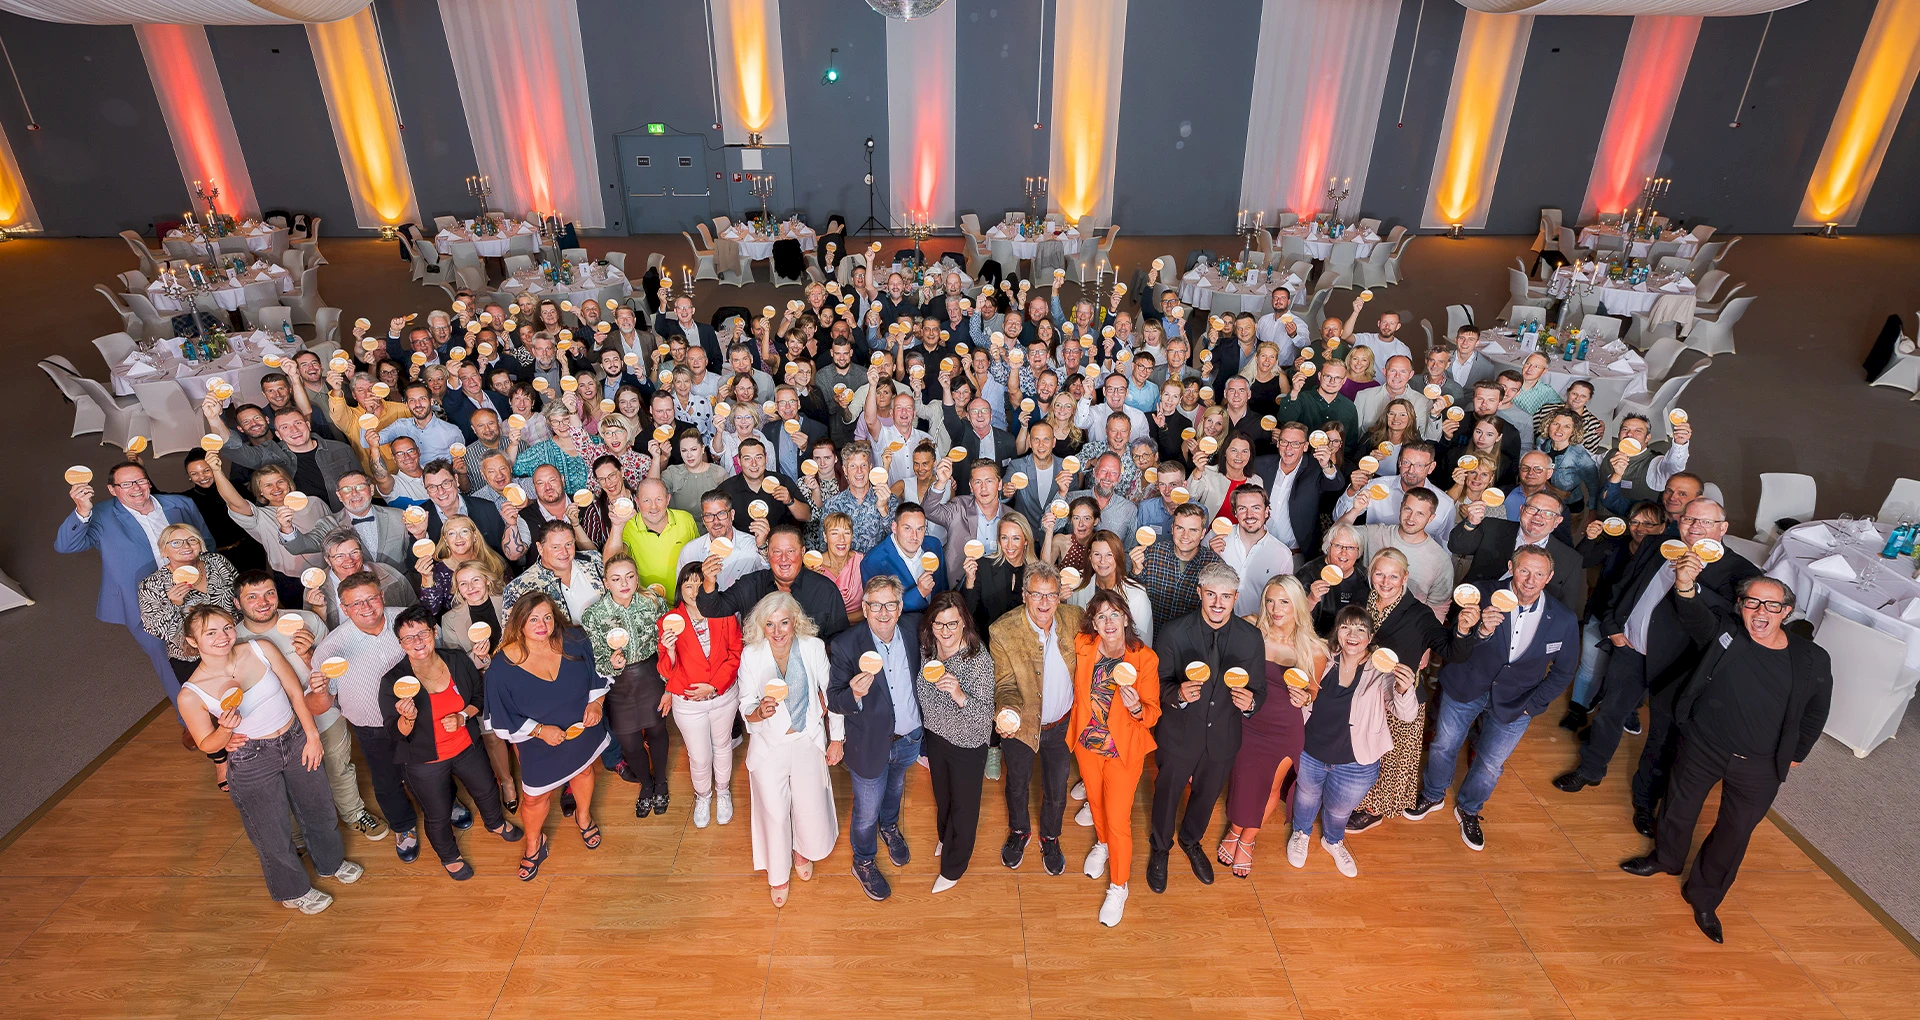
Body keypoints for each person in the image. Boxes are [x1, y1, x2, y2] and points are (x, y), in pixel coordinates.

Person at [1618, 573, 1832, 943]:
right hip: (1704, 745)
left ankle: (1703, 898)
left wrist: (1798, 753)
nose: (1760, 611)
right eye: (1752, 602)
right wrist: (1685, 587)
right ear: (1741, 606)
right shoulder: (1725, 635)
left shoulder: (1812, 659)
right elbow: (1695, 615)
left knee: (1735, 832)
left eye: (1772, 605)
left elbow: (1816, 710)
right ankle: (1666, 859)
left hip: (1762, 764)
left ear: (1787, 612)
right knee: (1678, 807)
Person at [1555, 498, 1759, 835]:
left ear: (1723, 529)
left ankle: (1645, 802)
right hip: (1631, 649)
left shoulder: (1740, 573)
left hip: (1679, 667)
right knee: (1609, 714)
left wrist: (1689, 584)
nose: (1694, 527)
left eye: (1705, 522)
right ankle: (1590, 770)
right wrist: (1614, 626)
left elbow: (1714, 628)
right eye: (1689, 519)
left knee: (1662, 736)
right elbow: (1624, 586)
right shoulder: (1658, 544)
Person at [177, 605, 360, 913]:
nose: (222, 637)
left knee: (319, 807)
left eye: (226, 628)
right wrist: (224, 730)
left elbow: (293, 691)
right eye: (210, 633)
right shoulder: (191, 694)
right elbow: (207, 744)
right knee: (271, 830)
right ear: (193, 641)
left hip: (295, 738)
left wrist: (312, 737)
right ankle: (293, 890)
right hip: (251, 758)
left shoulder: (260, 648)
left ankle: (331, 862)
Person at [1407, 547, 1577, 851]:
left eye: (1539, 573)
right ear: (1511, 567)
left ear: (1549, 577)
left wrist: (1533, 706)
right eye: (1524, 570)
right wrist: (1481, 631)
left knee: (1491, 764)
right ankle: (1432, 796)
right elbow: (1455, 645)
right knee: (1444, 746)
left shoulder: (1563, 618)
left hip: (1517, 701)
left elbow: (1563, 672)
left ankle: (1469, 810)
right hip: (1466, 685)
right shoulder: (1478, 595)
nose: (1530, 579)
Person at [229, 570, 388, 840]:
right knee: (288, 782)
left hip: (324, 715)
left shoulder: (306, 621)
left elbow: (336, 671)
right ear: (237, 603)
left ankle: (354, 813)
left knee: (339, 766)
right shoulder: (233, 640)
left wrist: (308, 654)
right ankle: (299, 834)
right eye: (252, 597)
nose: (263, 601)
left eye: (269, 593)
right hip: (274, 730)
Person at [380, 607, 524, 879]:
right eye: (408, 638)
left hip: (465, 746)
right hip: (425, 760)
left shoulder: (457, 660)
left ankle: (495, 824)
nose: (418, 642)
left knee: (486, 790)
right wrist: (408, 718)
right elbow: (395, 734)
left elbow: (479, 698)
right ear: (400, 644)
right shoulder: (392, 681)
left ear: (434, 632)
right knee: (438, 813)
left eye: (423, 633)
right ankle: (449, 856)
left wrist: (461, 716)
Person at [1147, 562, 1266, 892]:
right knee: (1167, 794)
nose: (1217, 603)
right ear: (1199, 593)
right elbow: (1159, 683)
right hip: (1179, 734)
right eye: (1211, 594)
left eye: (1225, 596)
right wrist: (1178, 694)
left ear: (1235, 597)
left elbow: (1259, 689)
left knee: (1206, 796)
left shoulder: (1251, 638)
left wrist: (1251, 703)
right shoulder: (1173, 632)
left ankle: (1190, 840)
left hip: (1223, 736)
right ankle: (1160, 848)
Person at [56, 460, 213, 695]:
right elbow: (65, 546)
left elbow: (206, 544)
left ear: (148, 482)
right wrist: (82, 510)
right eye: (126, 483)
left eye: (140, 480)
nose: (136, 488)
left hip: (193, 589)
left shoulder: (180, 504)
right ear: (112, 489)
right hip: (142, 602)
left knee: (213, 644)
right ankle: (190, 721)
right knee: (168, 663)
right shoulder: (100, 514)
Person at [1286, 605, 1421, 876]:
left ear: (1370, 637)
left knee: (1339, 810)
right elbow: (1303, 693)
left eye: (1361, 628)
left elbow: (1406, 715)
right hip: (1311, 749)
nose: (1353, 634)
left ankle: (1332, 841)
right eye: (1346, 626)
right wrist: (1298, 697)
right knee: (1306, 796)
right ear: (1337, 631)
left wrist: (1405, 689)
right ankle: (1301, 833)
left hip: (1356, 761)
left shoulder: (1382, 670)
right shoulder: (1321, 657)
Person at [485, 592, 609, 880]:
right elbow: (501, 716)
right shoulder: (501, 668)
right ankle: (533, 844)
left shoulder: (575, 640)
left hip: (581, 731)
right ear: (519, 622)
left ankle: (584, 816)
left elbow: (598, 674)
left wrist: (596, 704)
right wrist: (540, 731)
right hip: (537, 746)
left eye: (547, 617)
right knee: (534, 799)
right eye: (533, 619)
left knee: (584, 771)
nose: (542, 624)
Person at [738, 591, 845, 907]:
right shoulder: (751, 655)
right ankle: (778, 873)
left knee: (808, 804)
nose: (777, 631)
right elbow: (745, 704)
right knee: (773, 810)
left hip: (806, 740)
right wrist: (761, 712)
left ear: (794, 621)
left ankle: (803, 850)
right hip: (769, 745)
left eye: (783, 622)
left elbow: (832, 694)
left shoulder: (812, 648)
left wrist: (836, 738)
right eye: (769, 624)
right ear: (761, 626)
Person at [826, 575, 924, 901]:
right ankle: (863, 860)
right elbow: (834, 699)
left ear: (900, 608)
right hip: (869, 744)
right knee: (866, 810)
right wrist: (853, 693)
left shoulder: (914, 631)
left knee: (895, 788)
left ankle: (890, 826)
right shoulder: (845, 645)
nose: (883, 612)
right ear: (865, 608)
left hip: (909, 737)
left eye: (890, 604)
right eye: (876, 605)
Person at [1068, 589, 1161, 927]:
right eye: (1101, 616)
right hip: (1087, 744)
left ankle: (1119, 886)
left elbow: (1152, 714)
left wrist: (1137, 706)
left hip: (1123, 751)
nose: (1108, 622)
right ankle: (1102, 844)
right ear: (1093, 622)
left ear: (1126, 618)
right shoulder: (1083, 645)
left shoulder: (1144, 658)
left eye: (1114, 615)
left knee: (1119, 817)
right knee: (1095, 801)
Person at [1219, 575, 1324, 876]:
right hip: (1247, 718)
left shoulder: (1313, 648)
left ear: (1298, 605)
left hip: (1283, 727)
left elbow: (1313, 693)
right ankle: (1235, 828)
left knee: (1270, 785)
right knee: (1242, 779)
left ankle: (1247, 839)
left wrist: (1304, 696)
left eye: (1284, 602)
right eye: (1270, 600)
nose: (1275, 609)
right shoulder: (1251, 627)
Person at [1345, 550, 1453, 833]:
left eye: (1394, 575)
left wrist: (1465, 630)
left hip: (1399, 697)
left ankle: (1374, 810)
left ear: (1405, 578)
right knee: (1363, 750)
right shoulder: (1362, 600)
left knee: (1390, 758)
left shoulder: (1419, 614)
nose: (1386, 581)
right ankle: (1357, 799)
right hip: (1363, 691)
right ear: (1371, 575)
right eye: (1379, 574)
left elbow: (1450, 649)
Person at [990, 562, 1081, 875]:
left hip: (1061, 725)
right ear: (1025, 596)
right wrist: (1009, 712)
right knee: (1017, 784)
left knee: (1057, 789)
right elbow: (1004, 684)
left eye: (1051, 595)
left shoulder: (1075, 619)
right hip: (1023, 726)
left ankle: (1050, 836)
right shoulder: (1002, 631)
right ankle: (1019, 831)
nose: (1044, 603)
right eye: (1037, 595)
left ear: (1059, 597)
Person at [914, 592, 995, 894]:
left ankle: (954, 866)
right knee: (943, 796)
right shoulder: (928, 647)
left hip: (967, 743)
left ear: (964, 623)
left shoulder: (978, 660)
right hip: (936, 735)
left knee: (964, 806)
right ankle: (945, 836)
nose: (945, 632)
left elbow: (985, 716)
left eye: (952, 624)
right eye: (939, 624)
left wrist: (960, 695)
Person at [582, 554, 672, 818]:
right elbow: (595, 661)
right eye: (616, 578)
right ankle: (646, 783)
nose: (625, 583)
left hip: (651, 675)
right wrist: (612, 663)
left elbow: (669, 643)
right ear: (606, 582)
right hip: (618, 685)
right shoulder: (594, 615)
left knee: (657, 730)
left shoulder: (653, 602)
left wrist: (669, 683)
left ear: (637, 577)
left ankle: (661, 783)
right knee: (629, 742)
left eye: (630, 576)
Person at [659, 561, 744, 826]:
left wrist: (715, 686)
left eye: (700, 583)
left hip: (723, 697)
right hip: (688, 704)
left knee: (722, 747)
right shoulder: (669, 622)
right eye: (688, 585)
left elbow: (735, 653)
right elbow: (665, 669)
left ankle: (723, 790)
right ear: (680, 589)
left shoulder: (725, 614)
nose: (695, 590)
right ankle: (703, 795)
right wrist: (670, 651)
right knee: (698, 755)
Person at [435, 559, 520, 812]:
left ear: (486, 579)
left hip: (515, 678)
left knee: (522, 732)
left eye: (475, 580)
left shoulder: (508, 602)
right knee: (492, 737)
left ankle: (532, 776)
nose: (470, 587)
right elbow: (454, 665)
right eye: (463, 584)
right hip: (480, 684)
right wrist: (475, 657)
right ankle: (507, 782)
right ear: (458, 589)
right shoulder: (450, 619)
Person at [696, 524, 851, 638]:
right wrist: (709, 580)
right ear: (768, 552)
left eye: (790, 551)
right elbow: (712, 610)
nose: (784, 559)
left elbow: (839, 640)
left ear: (803, 552)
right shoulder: (750, 585)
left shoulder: (825, 590)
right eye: (776, 552)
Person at [1449, 490, 1587, 618]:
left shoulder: (1571, 560)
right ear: (1522, 510)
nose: (1538, 516)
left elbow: (1565, 610)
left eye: (1548, 513)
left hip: (1527, 626)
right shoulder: (1491, 527)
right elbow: (1457, 547)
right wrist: (1471, 523)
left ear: (1558, 521)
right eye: (1532, 509)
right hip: (1472, 611)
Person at [137, 522, 240, 690]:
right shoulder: (152, 585)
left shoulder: (216, 561)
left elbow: (240, 592)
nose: (185, 546)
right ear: (164, 550)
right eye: (176, 543)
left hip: (236, 642)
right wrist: (173, 605)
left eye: (192, 540)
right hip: (194, 658)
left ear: (200, 544)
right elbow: (158, 631)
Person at [1064, 529, 1154, 645]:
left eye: (1109, 555)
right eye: (1097, 554)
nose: (1103, 561)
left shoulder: (1137, 595)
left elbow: (1144, 644)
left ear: (1118, 556)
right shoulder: (1077, 586)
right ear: (1090, 556)